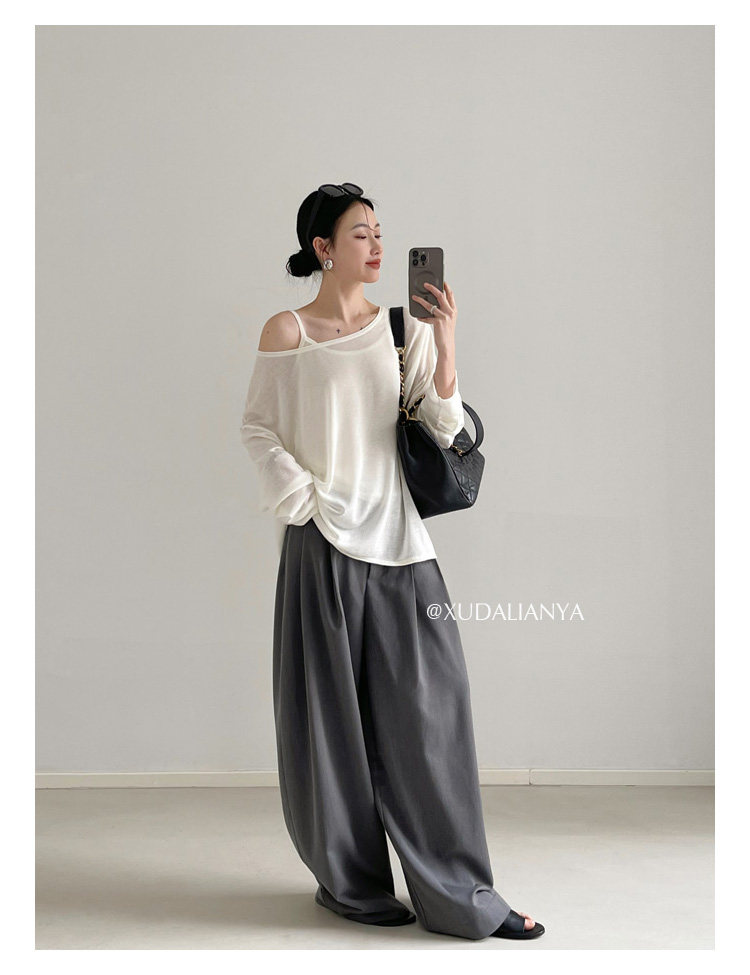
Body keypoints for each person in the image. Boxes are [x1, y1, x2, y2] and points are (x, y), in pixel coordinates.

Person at [239, 183, 545, 942]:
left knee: (431, 719)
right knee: (330, 728)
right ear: (322, 248)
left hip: (402, 544)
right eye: (361, 233)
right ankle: (352, 884)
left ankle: (463, 895)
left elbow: (443, 425)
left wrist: (446, 343)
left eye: (380, 232)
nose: (377, 246)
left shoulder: (400, 327)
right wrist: (303, 498)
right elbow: (258, 427)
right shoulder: (288, 331)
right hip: (321, 544)